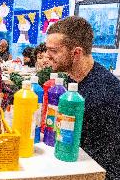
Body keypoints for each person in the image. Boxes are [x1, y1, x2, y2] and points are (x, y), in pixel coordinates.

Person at [46, 16, 120, 180]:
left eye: (54, 51)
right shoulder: (75, 80)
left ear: (76, 53)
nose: (47, 56)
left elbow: (108, 163)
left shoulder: (105, 94)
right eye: (47, 49)